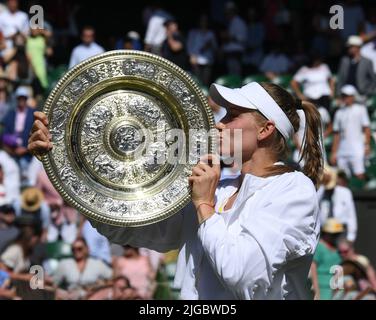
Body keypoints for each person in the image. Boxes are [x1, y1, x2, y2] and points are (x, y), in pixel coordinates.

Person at [29, 79, 324, 300]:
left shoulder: (293, 190)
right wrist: (66, 163)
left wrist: (204, 206)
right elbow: (127, 230)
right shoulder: (217, 188)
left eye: (232, 115)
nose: (219, 125)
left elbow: (243, 275)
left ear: (265, 129)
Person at [330, 85, 371, 180]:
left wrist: (367, 146)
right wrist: (334, 152)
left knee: (359, 174)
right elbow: (336, 134)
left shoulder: (361, 109)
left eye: (347, 96)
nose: (345, 98)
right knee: (341, 176)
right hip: (342, 150)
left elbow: (367, 129)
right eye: (343, 96)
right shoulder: (339, 113)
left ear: (353, 96)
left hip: (357, 148)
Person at [317, 166, 357, 242]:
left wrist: (351, 237)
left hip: (341, 231)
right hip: (324, 233)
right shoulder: (320, 193)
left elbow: (351, 215)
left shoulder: (345, 193)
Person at [310, 218, 343, 300]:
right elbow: (313, 268)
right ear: (325, 233)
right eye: (333, 234)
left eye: (337, 234)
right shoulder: (319, 247)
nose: (335, 236)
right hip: (322, 288)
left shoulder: (338, 248)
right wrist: (316, 291)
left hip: (337, 287)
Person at [187, 15, 217, 86]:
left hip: (208, 61)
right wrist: (191, 55)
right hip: (196, 60)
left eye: (205, 21)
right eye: (202, 21)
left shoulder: (211, 33)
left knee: (206, 83)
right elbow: (189, 45)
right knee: (196, 82)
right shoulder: (193, 32)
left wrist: (210, 45)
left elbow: (215, 47)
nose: (203, 22)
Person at [221, 2, 247, 76]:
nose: (227, 14)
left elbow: (243, 38)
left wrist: (228, 36)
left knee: (236, 76)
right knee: (231, 75)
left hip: (236, 54)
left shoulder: (239, 22)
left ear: (233, 11)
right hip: (229, 54)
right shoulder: (231, 22)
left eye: (229, 11)